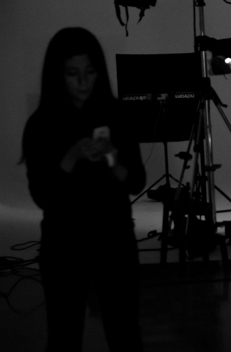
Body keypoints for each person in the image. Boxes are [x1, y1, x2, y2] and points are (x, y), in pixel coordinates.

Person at [22, 27, 146, 351]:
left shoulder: (117, 114)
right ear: (58, 75)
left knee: (125, 334)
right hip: (64, 244)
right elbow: (43, 196)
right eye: (72, 73)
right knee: (64, 337)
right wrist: (71, 156)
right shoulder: (41, 124)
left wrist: (112, 158)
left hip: (114, 239)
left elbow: (136, 182)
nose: (83, 82)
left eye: (90, 72)